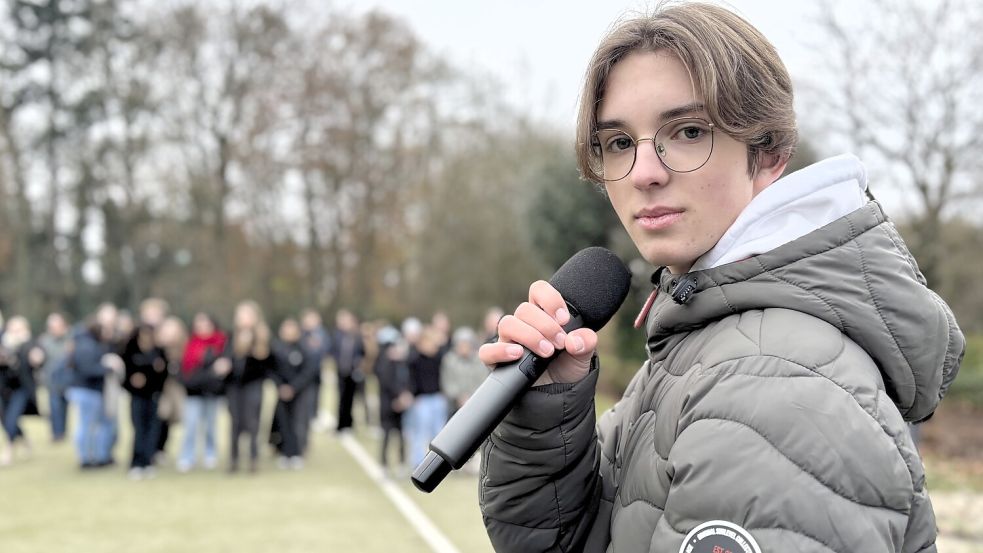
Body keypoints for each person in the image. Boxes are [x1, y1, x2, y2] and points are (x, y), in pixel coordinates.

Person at [477, 4, 965, 552]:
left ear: (770, 151)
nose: (643, 173)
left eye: (687, 131)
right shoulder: (709, 338)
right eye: (618, 143)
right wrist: (549, 408)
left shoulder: (775, 383)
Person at [220, 300, 275, 473]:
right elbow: (226, 357)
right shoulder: (231, 336)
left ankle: (253, 459)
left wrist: (252, 348)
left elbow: (268, 363)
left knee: (252, 422)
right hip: (234, 386)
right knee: (235, 422)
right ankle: (233, 459)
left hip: (253, 384)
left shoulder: (262, 337)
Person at [67, 303, 124, 469]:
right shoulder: (87, 344)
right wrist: (108, 367)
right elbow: (88, 369)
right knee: (87, 426)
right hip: (87, 390)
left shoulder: (93, 343)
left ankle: (100, 456)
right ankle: (86, 458)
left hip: (93, 390)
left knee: (99, 425)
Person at [177, 313, 228, 473]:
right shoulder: (189, 344)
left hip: (212, 392)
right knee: (191, 425)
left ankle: (210, 454)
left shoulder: (221, 343)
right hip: (193, 391)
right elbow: (184, 369)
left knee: (210, 425)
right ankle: (187, 456)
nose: (202, 327)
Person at [270, 318, 319, 469]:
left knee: (298, 423)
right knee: (283, 423)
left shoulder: (303, 348)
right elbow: (272, 370)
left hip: (299, 393)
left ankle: (298, 453)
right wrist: (281, 386)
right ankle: (286, 453)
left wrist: (293, 387)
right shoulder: (277, 349)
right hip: (282, 392)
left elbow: (309, 371)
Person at [121, 323, 168, 479]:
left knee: (153, 430)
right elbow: (124, 374)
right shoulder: (131, 350)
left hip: (153, 396)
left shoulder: (158, 351)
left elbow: (164, 374)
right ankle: (137, 463)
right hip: (137, 396)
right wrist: (132, 381)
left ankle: (148, 462)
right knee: (139, 429)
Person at [0, 316, 45, 466]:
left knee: (11, 419)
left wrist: (37, 358)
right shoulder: (4, 344)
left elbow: (38, 355)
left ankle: (7, 451)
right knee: (6, 420)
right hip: (4, 389)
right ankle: (25, 440)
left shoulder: (29, 345)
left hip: (21, 389)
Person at [405, 327, 447, 467]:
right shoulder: (414, 359)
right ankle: (417, 462)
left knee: (439, 433)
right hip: (422, 400)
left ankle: (439, 463)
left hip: (437, 398)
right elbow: (410, 380)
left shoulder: (438, 358)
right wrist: (414, 396)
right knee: (420, 433)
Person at [373, 326, 410, 474]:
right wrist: (397, 398)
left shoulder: (402, 363)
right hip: (388, 404)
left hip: (401, 405)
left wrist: (405, 396)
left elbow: (407, 381)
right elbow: (386, 382)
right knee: (387, 434)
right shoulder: (383, 363)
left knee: (401, 435)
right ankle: (384, 465)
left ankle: (401, 463)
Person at [37, 312, 73, 443]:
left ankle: (63, 432)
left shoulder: (70, 339)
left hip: (67, 380)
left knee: (64, 407)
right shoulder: (44, 341)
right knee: (54, 407)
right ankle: (56, 433)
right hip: (51, 380)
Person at [328, 309, 364, 433]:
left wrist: (358, 363)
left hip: (353, 372)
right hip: (341, 371)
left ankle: (349, 423)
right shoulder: (337, 336)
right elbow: (332, 351)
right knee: (341, 398)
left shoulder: (357, 336)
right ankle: (340, 424)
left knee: (351, 399)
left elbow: (362, 352)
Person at [300, 309, 330, 428]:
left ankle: (313, 415)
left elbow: (324, 349)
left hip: (316, 369)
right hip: (303, 370)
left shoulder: (321, 334)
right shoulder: (302, 333)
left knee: (315, 393)